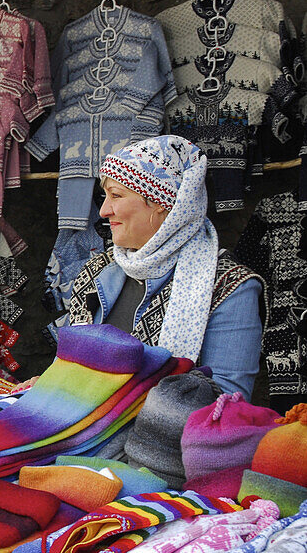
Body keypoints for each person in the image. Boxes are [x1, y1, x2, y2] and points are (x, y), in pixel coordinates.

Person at [66, 135, 264, 397]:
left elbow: (227, 403)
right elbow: (66, 372)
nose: (103, 210)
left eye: (116, 195)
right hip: (82, 434)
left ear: (161, 202)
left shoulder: (228, 286)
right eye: (105, 196)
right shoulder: (97, 271)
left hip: (164, 436)